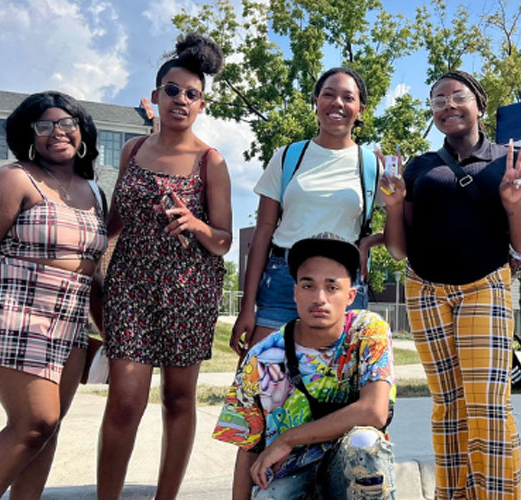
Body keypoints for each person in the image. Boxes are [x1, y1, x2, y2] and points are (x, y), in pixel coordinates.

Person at [0, 91, 107, 499]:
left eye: (67, 123)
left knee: (49, 429)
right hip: (15, 309)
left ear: (82, 131)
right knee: (35, 421)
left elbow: (93, 270)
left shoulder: (96, 192)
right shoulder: (14, 180)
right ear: (29, 135)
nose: (57, 133)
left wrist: (110, 331)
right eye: (44, 126)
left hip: (70, 320)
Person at [381, 70, 521, 500]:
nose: (447, 105)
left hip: (484, 285)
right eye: (437, 100)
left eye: (457, 96)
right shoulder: (420, 167)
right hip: (425, 290)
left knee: (487, 407)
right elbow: (398, 248)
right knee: (448, 407)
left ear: (479, 105)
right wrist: (394, 205)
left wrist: (512, 205)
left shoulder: (509, 161)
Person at [97, 33, 232, 500]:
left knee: (178, 399)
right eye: (172, 90)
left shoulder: (210, 161)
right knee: (125, 400)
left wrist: (195, 223)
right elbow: (113, 221)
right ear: (155, 96)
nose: (181, 99)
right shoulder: (133, 151)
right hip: (130, 286)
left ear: (201, 105)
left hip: (189, 292)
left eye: (192, 94)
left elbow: (223, 241)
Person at [212, 232, 396, 499]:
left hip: (349, 471)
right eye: (308, 286)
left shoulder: (367, 331)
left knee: (365, 444)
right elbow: (248, 447)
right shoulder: (262, 357)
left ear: (350, 296)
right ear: (295, 293)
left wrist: (288, 438)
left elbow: (374, 411)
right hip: (291, 474)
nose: (319, 298)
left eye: (332, 287)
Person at [231, 66, 383, 357]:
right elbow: (263, 233)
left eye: (347, 98)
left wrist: (370, 241)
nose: (337, 103)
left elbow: (407, 226)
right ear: (316, 102)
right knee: (259, 383)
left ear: (360, 109)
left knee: (335, 390)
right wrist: (247, 306)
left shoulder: (372, 165)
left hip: (343, 286)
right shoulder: (288, 156)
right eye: (328, 95)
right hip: (283, 281)